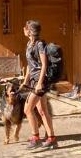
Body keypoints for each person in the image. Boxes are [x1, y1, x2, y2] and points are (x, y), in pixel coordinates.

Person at [21, 20, 58, 149]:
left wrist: (40, 83)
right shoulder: (29, 44)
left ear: (29, 31)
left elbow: (44, 65)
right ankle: (52, 138)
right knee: (42, 111)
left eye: (25, 28)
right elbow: (30, 65)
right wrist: (26, 81)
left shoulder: (40, 44)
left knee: (27, 110)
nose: (23, 29)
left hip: (40, 82)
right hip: (33, 81)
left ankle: (35, 137)